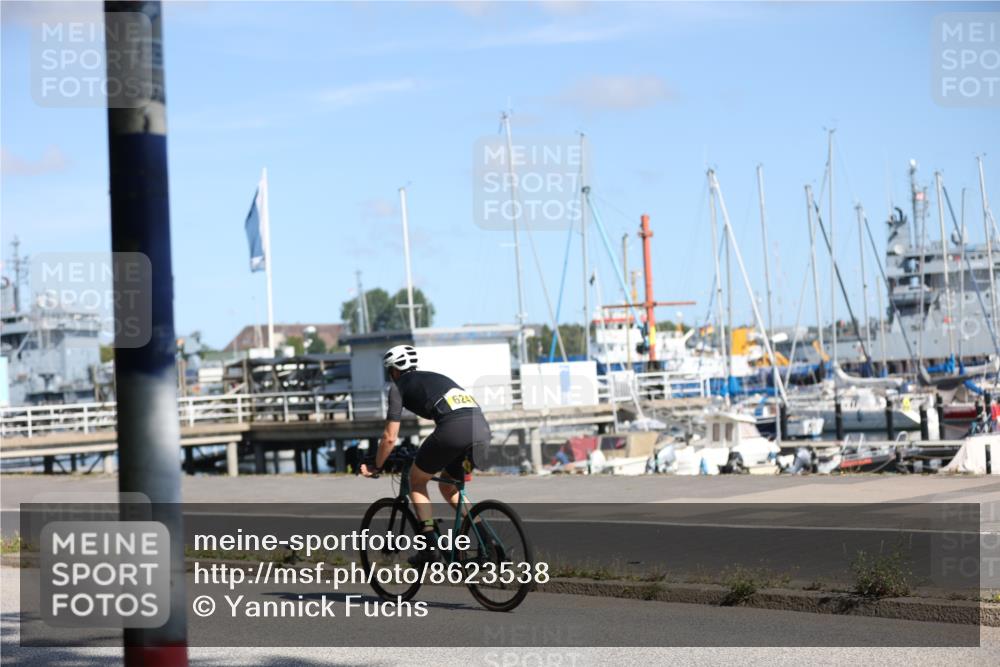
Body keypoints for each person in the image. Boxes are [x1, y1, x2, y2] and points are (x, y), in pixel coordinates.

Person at [361, 344, 491, 565]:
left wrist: (377, 465)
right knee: (449, 487)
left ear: (393, 371)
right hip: (481, 430)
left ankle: (430, 548)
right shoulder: (435, 377)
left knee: (417, 482)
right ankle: (488, 544)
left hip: (453, 430)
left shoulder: (398, 387)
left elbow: (390, 438)